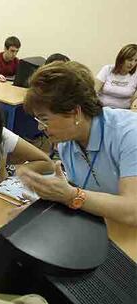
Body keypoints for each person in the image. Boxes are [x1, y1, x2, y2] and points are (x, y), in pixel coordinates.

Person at [19, 61, 137, 226]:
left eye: (44, 119)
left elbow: (133, 211)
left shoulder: (129, 133)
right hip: (103, 226)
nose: (40, 127)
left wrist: (71, 195)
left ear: (75, 113)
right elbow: (82, 196)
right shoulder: (66, 143)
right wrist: (39, 209)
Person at [95, 44, 137, 109]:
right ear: (121, 59)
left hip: (124, 113)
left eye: (136, 61)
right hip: (102, 110)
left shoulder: (135, 76)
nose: (132, 64)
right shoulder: (107, 69)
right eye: (130, 60)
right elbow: (94, 91)